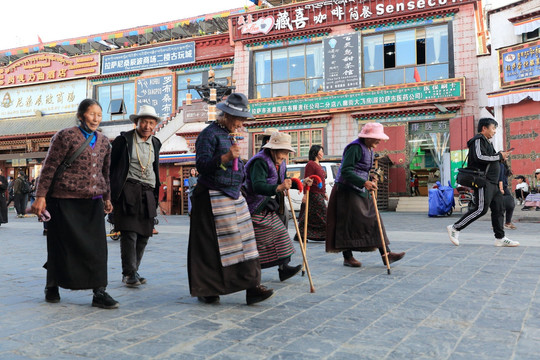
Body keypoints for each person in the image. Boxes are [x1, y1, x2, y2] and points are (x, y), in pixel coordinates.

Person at [31, 98, 118, 309]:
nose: (96, 118)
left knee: (98, 249)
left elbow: (105, 172)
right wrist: (41, 196)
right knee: (60, 245)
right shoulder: (65, 136)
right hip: (63, 200)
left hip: (93, 202)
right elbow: (49, 167)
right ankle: (52, 285)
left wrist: (107, 197)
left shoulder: (105, 141)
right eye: (91, 114)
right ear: (81, 115)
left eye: (99, 115)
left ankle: (99, 291)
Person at [188, 93, 273, 305]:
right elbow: (202, 165)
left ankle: (252, 286)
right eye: (238, 119)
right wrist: (225, 158)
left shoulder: (229, 134)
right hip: (212, 196)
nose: (241, 124)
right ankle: (208, 288)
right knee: (213, 245)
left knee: (246, 240)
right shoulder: (209, 135)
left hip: (235, 195)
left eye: (243, 119)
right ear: (225, 115)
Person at [326, 122, 406, 267]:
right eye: (377, 137)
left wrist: (370, 178)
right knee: (346, 223)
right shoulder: (355, 148)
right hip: (346, 190)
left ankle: (386, 254)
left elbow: (363, 170)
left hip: (361, 189)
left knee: (375, 218)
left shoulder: (369, 149)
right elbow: (346, 170)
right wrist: (364, 183)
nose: (379, 141)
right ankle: (347, 257)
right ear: (367, 137)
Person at [244, 132, 308, 281]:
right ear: (272, 149)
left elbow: (282, 180)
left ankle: (283, 268)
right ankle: (250, 271)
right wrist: (278, 187)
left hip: (271, 204)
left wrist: (298, 183)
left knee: (281, 233)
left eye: (287, 152)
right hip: (254, 205)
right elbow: (257, 185)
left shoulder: (281, 162)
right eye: (283, 152)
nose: (285, 156)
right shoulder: (260, 161)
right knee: (270, 235)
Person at [110, 105, 162, 288]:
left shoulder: (156, 143)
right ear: (136, 123)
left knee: (144, 234)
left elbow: (154, 169)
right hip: (128, 190)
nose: (147, 126)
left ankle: (134, 270)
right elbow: (111, 168)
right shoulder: (123, 140)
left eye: (151, 122)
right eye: (144, 122)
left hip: (148, 191)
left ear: (155, 124)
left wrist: (156, 194)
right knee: (129, 233)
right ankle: (129, 273)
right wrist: (110, 195)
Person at [446, 117, 518, 247]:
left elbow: (490, 158)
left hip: (494, 182)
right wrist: (498, 156)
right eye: (493, 128)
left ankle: (500, 238)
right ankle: (455, 228)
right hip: (484, 181)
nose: (494, 131)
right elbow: (479, 157)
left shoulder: (487, 142)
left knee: (499, 209)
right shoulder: (478, 140)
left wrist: (500, 157)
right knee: (481, 209)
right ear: (484, 128)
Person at [297, 145, 327, 242]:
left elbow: (322, 180)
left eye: (322, 152)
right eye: (320, 151)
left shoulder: (319, 165)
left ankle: (300, 234)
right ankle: (327, 234)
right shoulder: (310, 164)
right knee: (323, 213)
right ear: (315, 152)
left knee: (309, 214)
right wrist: (305, 194)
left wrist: (324, 192)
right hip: (313, 193)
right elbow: (307, 179)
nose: (322, 154)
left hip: (320, 193)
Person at [499, 159, 516, 230]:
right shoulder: (500, 165)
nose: (507, 156)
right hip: (502, 187)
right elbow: (500, 178)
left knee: (501, 205)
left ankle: (500, 223)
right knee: (510, 204)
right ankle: (506, 223)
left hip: (503, 187)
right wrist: (501, 188)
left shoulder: (503, 165)